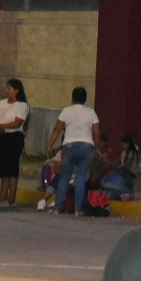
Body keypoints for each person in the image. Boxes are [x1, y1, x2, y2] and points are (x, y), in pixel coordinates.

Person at [46, 88, 100, 216]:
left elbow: (57, 129)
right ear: (85, 99)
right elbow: (97, 132)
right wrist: (97, 148)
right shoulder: (91, 112)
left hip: (69, 145)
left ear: (72, 98)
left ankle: (57, 207)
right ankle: (77, 209)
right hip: (86, 146)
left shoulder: (66, 111)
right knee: (81, 177)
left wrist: (50, 145)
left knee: (64, 177)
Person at [0, 79, 29, 207]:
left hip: (13, 137)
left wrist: (1, 126)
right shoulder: (2, 103)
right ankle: (2, 196)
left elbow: (17, 122)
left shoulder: (22, 105)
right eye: (6, 88)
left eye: (9, 88)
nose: (6, 90)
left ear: (17, 90)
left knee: (11, 166)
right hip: (1, 137)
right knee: (2, 166)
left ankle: (11, 197)